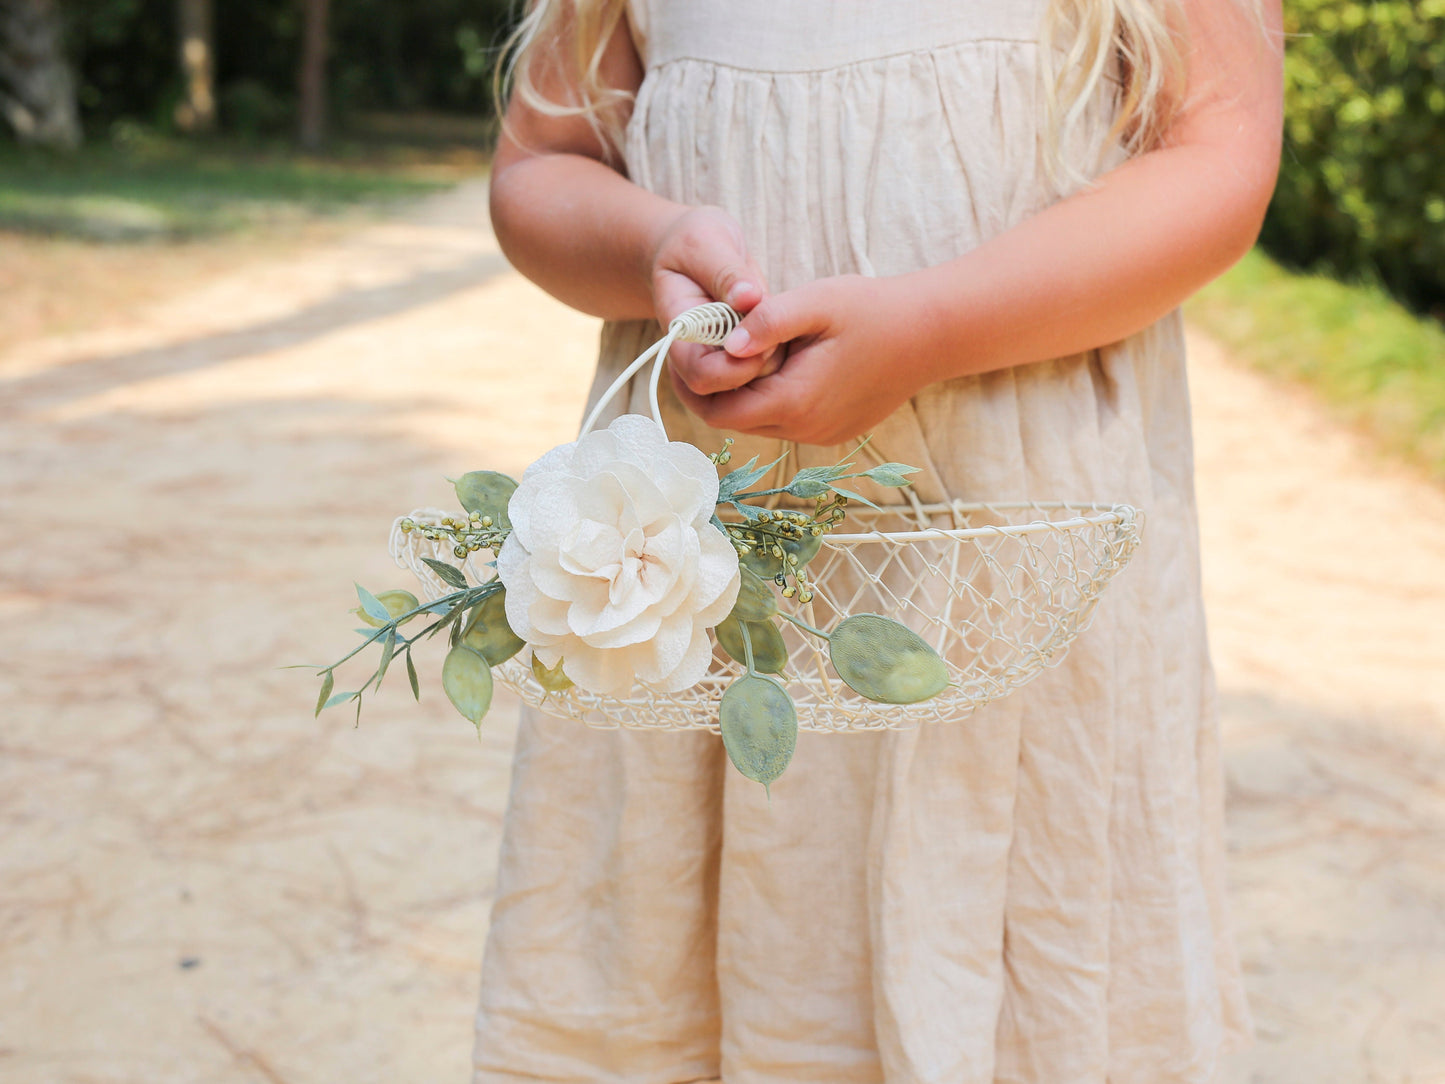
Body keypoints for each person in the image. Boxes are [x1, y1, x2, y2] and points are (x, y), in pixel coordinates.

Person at [472, 0, 1283, 1080]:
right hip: (710, 589)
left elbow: (1219, 155)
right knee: (703, 972)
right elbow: (539, 169)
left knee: (1012, 958)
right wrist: (649, 246)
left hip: (1013, 580)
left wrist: (934, 322)